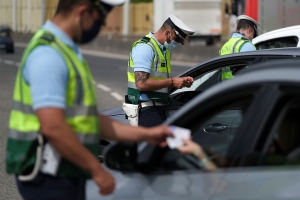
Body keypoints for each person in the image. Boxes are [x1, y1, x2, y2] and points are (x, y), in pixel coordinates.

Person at [5, 1, 173, 199]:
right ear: (83, 12)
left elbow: (88, 119)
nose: (100, 27)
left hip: (65, 169)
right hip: (50, 173)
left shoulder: (66, 50)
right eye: (100, 20)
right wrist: (97, 170)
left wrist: (147, 134)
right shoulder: (49, 53)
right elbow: (53, 126)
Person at [125, 13, 195, 127]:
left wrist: (179, 82)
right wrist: (172, 81)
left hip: (159, 108)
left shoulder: (164, 51)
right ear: (167, 33)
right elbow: (141, 84)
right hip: (147, 110)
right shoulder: (145, 47)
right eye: (177, 39)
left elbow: (159, 83)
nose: (177, 44)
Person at [219, 15, 259, 80]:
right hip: (241, 87)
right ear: (249, 31)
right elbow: (255, 71)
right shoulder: (246, 45)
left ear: (237, 29)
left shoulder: (225, 45)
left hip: (226, 87)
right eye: (253, 34)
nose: (252, 38)